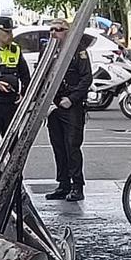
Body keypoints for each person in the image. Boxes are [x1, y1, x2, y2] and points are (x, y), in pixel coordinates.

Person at [45, 19, 93, 202]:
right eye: (52, 29)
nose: (55, 32)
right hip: (54, 104)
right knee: (58, 146)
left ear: (68, 32)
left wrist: (71, 99)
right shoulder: (48, 50)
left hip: (71, 105)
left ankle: (77, 186)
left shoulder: (77, 50)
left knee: (72, 146)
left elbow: (86, 78)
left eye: (59, 29)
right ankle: (63, 184)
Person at [0, 18, 32, 134]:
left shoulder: (15, 49)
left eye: (11, 31)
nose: (11, 35)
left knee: (11, 136)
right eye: (7, 32)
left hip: (11, 102)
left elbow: (25, 75)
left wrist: (23, 94)